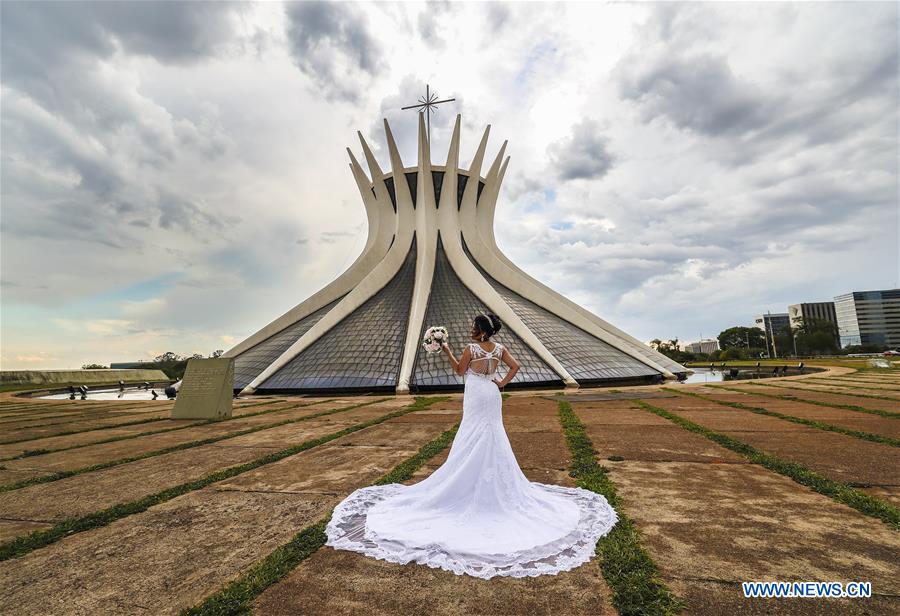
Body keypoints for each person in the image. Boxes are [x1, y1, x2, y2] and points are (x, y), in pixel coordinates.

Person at [325, 313, 618, 579]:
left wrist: (448, 350)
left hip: (476, 393)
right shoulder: (499, 349)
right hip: (491, 392)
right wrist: (501, 382)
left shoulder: (471, 348)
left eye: (472, 326)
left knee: (472, 433)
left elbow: (458, 371)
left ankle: (465, 478)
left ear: (479, 331)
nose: (470, 328)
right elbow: (515, 367)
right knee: (493, 433)